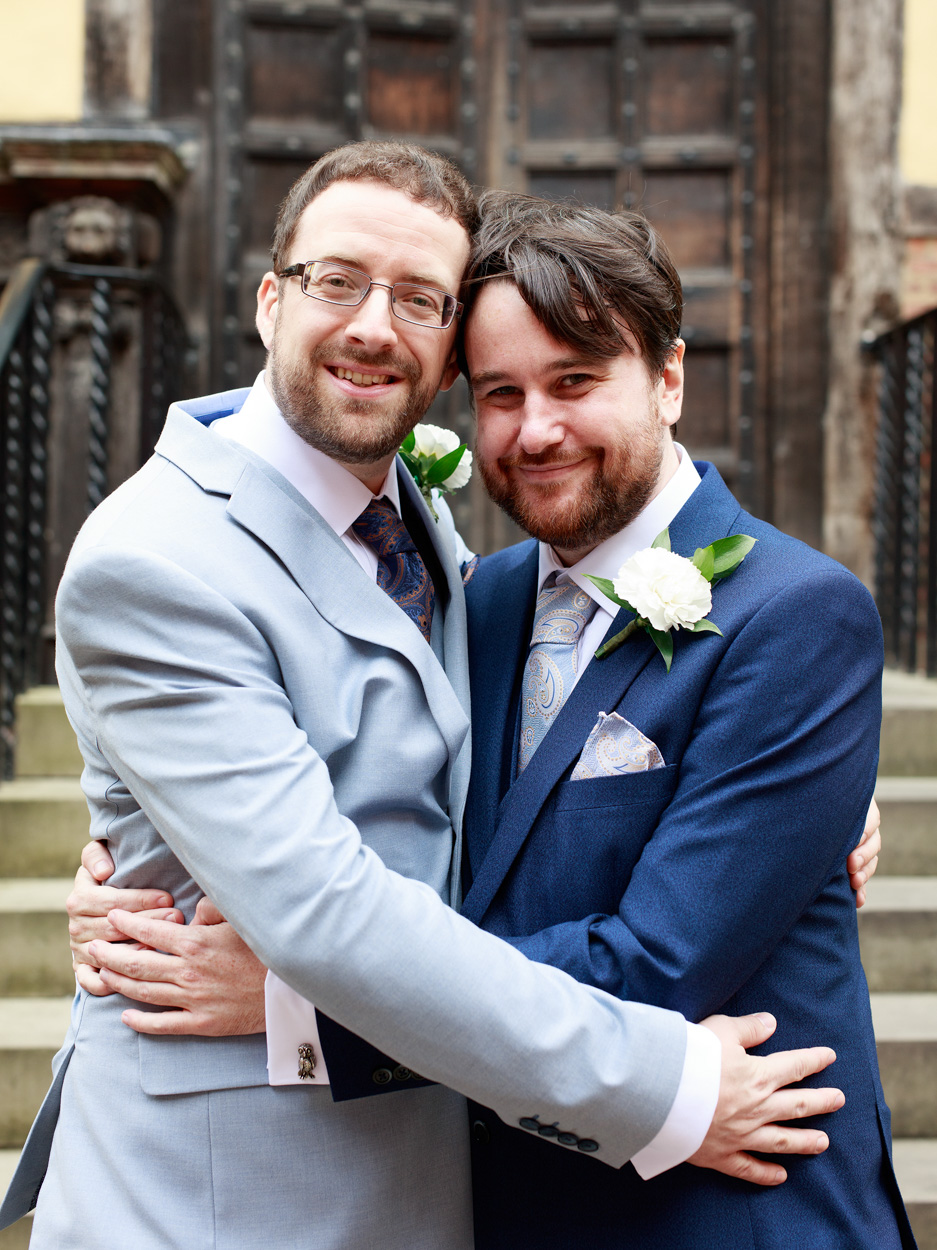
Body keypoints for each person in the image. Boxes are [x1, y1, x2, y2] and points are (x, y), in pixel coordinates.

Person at [0, 144, 846, 1250]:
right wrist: (663, 1082)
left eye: (417, 298)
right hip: (225, 1190)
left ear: (444, 345)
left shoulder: (434, 538)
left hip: (434, 1170)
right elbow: (323, 910)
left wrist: (825, 802)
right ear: (270, 299)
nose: (370, 324)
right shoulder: (153, 558)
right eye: (336, 280)